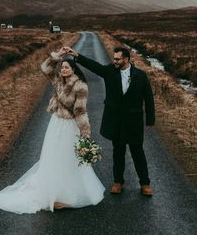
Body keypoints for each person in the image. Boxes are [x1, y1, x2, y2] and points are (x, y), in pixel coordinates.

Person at [0, 49, 104, 213]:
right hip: (56, 123)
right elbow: (45, 68)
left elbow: (81, 111)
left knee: (67, 158)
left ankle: (67, 194)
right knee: (53, 156)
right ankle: (52, 190)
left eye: (67, 67)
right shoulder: (59, 82)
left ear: (74, 69)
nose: (63, 70)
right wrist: (57, 56)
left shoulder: (80, 86)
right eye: (62, 67)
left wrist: (85, 134)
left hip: (70, 126)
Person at [63, 45, 155, 196]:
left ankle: (145, 183)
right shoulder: (110, 71)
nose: (115, 61)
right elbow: (94, 66)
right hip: (116, 120)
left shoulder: (141, 75)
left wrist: (150, 120)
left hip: (134, 121)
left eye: (118, 59)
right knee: (118, 152)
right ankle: (118, 182)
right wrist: (77, 56)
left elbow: (148, 98)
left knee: (137, 152)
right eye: (114, 58)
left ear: (126, 59)